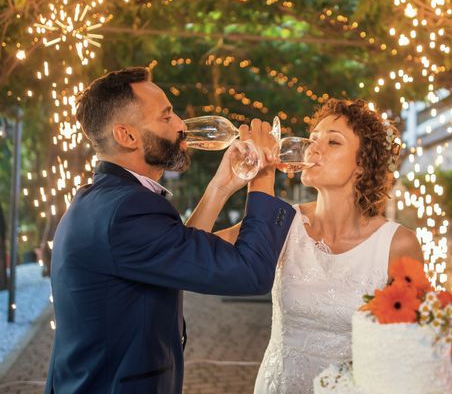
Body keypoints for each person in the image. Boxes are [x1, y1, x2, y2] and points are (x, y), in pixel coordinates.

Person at [44, 67, 295, 394]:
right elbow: (249, 274)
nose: (180, 125)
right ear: (127, 135)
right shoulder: (127, 211)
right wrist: (262, 174)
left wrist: (221, 186)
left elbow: (181, 253)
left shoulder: (104, 199)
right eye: (166, 118)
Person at [217, 98, 423, 393]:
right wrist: (222, 186)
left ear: (362, 165)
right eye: (312, 139)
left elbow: (414, 345)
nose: (313, 148)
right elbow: (185, 251)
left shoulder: (398, 244)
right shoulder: (282, 221)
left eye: (333, 142)